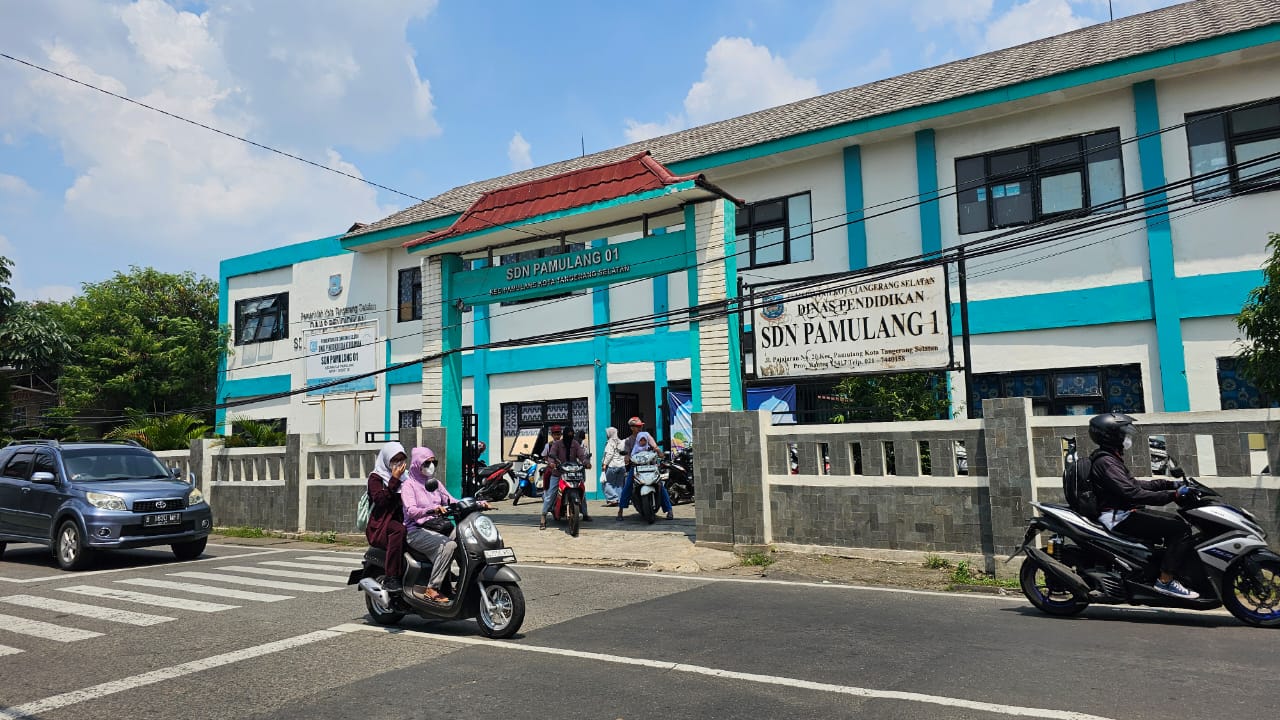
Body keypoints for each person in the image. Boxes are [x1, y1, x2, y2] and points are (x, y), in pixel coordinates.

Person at [1088, 412, 1198, 599]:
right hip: (1118, 517)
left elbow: (1134, 484)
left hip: (1123, 513)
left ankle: (1160, 570)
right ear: (1111, 435)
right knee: (1180, 529)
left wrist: (1169, 484)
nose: (1127, 438)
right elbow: (1133, 493)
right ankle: (1165, 582)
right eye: (1124, 433)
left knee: (1174, 522)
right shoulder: (1106, 462)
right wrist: (1172, 495)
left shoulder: (1110, 458)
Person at [402, 446, 486, 603]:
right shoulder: (409, 485)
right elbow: (412, 511)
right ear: (417, 464)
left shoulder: (434, 483)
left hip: (437, 527)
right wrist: (432, 510)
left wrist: (479, 504)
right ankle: (432, 588)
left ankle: (467, 579)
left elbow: (453, 501)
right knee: (449, 546)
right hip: (416, 531)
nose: (431, 466)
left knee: (465, 537)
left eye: (434, 462)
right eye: (427, 463)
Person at [365, 442, 408, 593]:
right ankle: (391, 578)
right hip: (382, 524)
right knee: (399, 531)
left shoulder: (406, 477)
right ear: (386, 460)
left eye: (402, 460)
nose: (399, 464)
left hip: (404, 518)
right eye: (395, 460)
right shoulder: (376, 478)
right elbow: (381, 501)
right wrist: (394, 480)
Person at [617, 418, 674, 521]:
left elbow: (655, 447)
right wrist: (627, 458)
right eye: (637, 426)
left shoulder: (646, 435)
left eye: (641, 426)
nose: (640, 428)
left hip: (651, 466)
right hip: (636, 468)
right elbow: (627, 453)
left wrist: (659, 452)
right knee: (628, 486)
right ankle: (620, 511)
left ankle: (669, 510)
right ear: (632, 428)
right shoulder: (629, 440)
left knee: (660, 485)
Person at [541, 424, 592, 529]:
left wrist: (586, 462)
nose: (569, 438)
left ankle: (585, 514)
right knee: (551, 494)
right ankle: (543, 517)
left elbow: (581, 455)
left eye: (571, 436)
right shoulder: (557, 444)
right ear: (564, 435)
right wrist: (552, 463)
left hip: (573, 473)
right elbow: (551, 455)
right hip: (558, 473)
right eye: (568, 436)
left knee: (582, 492)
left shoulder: (575, 444)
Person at [600, 426, 626, 507]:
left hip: (613, 466)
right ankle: (619, 499)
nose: (606, 435)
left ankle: (613, 499)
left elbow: (609, 454)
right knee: (618, 484)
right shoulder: (621, 442)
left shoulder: (611, 442)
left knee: (605, 483)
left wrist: (604, 464)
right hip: (622, 466)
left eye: (607, 433)